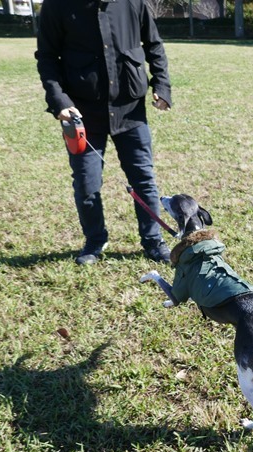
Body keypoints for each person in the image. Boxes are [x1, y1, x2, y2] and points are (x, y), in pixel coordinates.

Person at [35, 0, 172, 265]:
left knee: (144, 180)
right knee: (87, 184)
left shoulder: (134, 2)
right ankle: (95, 241)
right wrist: (59, 101)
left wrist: (162, 86)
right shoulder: (57, 5)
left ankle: (154, 240)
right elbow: (47, 57)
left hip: (130, 110)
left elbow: (153, 45)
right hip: (81, 114)